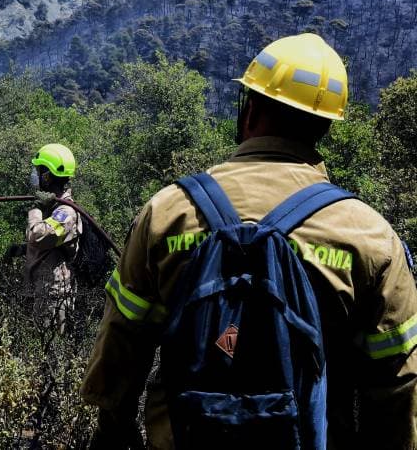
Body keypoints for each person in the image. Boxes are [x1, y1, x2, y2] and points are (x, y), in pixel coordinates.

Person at [80, 33, 417, 450]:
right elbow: (397, 382)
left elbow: (122, 338)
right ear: (327, 125)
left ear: (250, 108)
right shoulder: (370, 236)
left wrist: (112, 432)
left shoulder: (168, 211)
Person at [26, 143, 83, 333]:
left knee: (48, 353)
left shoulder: (66, 212)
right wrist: (20, 249)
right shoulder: (54, 207)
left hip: (54, 295)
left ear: (48, 175)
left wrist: (36, 209)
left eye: (39, 170)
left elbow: (38, 235)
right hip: (43, 289)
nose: (35, 175)